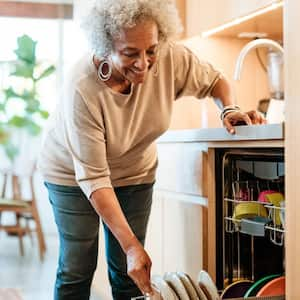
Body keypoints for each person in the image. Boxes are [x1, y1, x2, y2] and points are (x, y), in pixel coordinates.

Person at [38, 0, 265, 299]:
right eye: (130, 53)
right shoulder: (82, 88)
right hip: (71, 175)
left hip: (135, 173)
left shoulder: (171, 57)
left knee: (127, 271)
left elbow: (214, 80)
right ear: (105, 48)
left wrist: (228, 109)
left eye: (151, 51)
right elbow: (93, 177)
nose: (143, 63)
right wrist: (131, 245)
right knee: (77, 267)